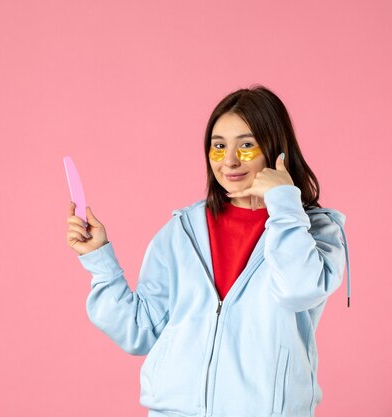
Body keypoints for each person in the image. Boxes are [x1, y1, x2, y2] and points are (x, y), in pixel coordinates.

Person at [65, 85, 350, 417]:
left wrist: (285, 205)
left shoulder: (314, 230)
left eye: (246, 145)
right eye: (218, 146)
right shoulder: (183, 231)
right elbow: (139, 330)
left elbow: (298, 290)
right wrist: (100, 260)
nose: (229, 160)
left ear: (275, 149)